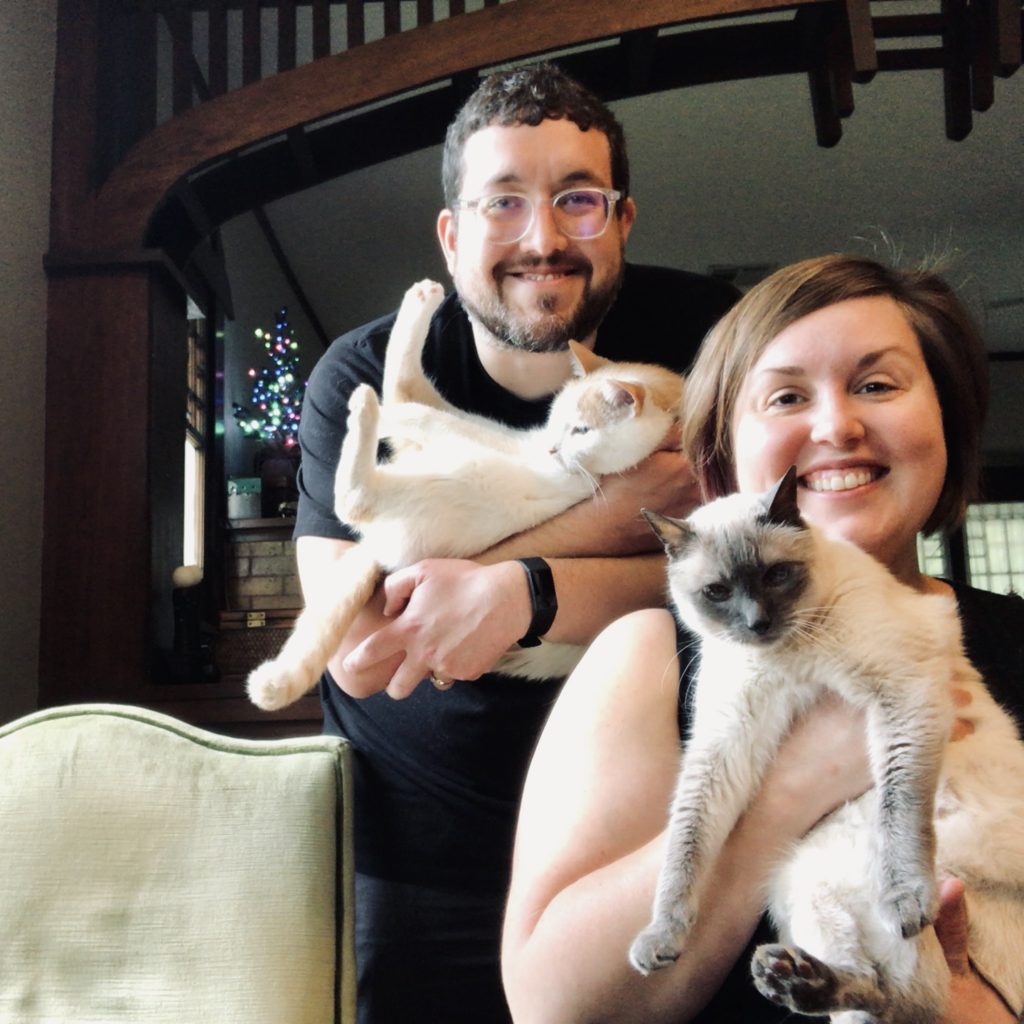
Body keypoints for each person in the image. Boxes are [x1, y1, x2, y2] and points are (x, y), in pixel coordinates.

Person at [293, 62, 739, 1023]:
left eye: (577, 200)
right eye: (504, 203)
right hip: (421, 856)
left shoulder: (712, 346)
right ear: (453, 234)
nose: (543, 238)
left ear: (621, 219)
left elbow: (747, 578)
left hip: (654, 842)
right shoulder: (362, 376)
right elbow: (367, 653)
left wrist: (519, 591)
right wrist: (623, 521)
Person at [503, 254, 1024, 1024]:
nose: (837, 425)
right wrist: (791, 787)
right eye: (785, 396)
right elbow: (551, 1007)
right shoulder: (646, 658)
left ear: (946, 417)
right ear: (720, 457)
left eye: (877, 384)